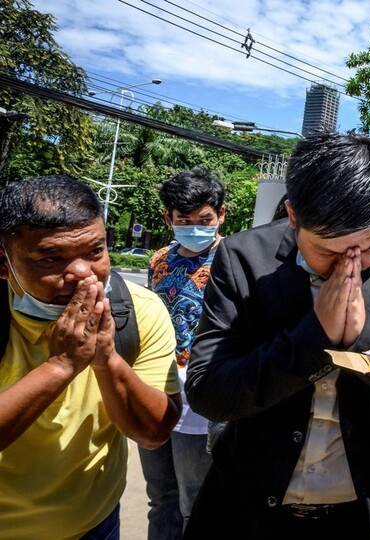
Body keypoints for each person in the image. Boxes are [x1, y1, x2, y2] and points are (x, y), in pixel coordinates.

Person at [183, 132, 370, 539]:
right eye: (328, 251)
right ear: (292, 215)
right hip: (252, 510)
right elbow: (208, 392)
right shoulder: (245, 258)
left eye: (369, 247)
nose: (349, 265)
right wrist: (315, 336)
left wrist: (364, 338)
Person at [0, 175, 181, 539]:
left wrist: (107, 359)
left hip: (93, 526)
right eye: (52, 258)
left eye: (95, 251)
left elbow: (154, 433)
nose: (84, 275)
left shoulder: (138, 310)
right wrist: (63, 365)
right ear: (4, 263)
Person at [137, 167, 226, 539]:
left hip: (202, 396)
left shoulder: (234, 260)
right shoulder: (159, 260)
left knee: (196, 501)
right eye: (184, 221)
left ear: (221, 214)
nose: (194, 228)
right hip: (156, 387)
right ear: (167, 218)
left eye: (204, 220)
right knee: (161, 497)